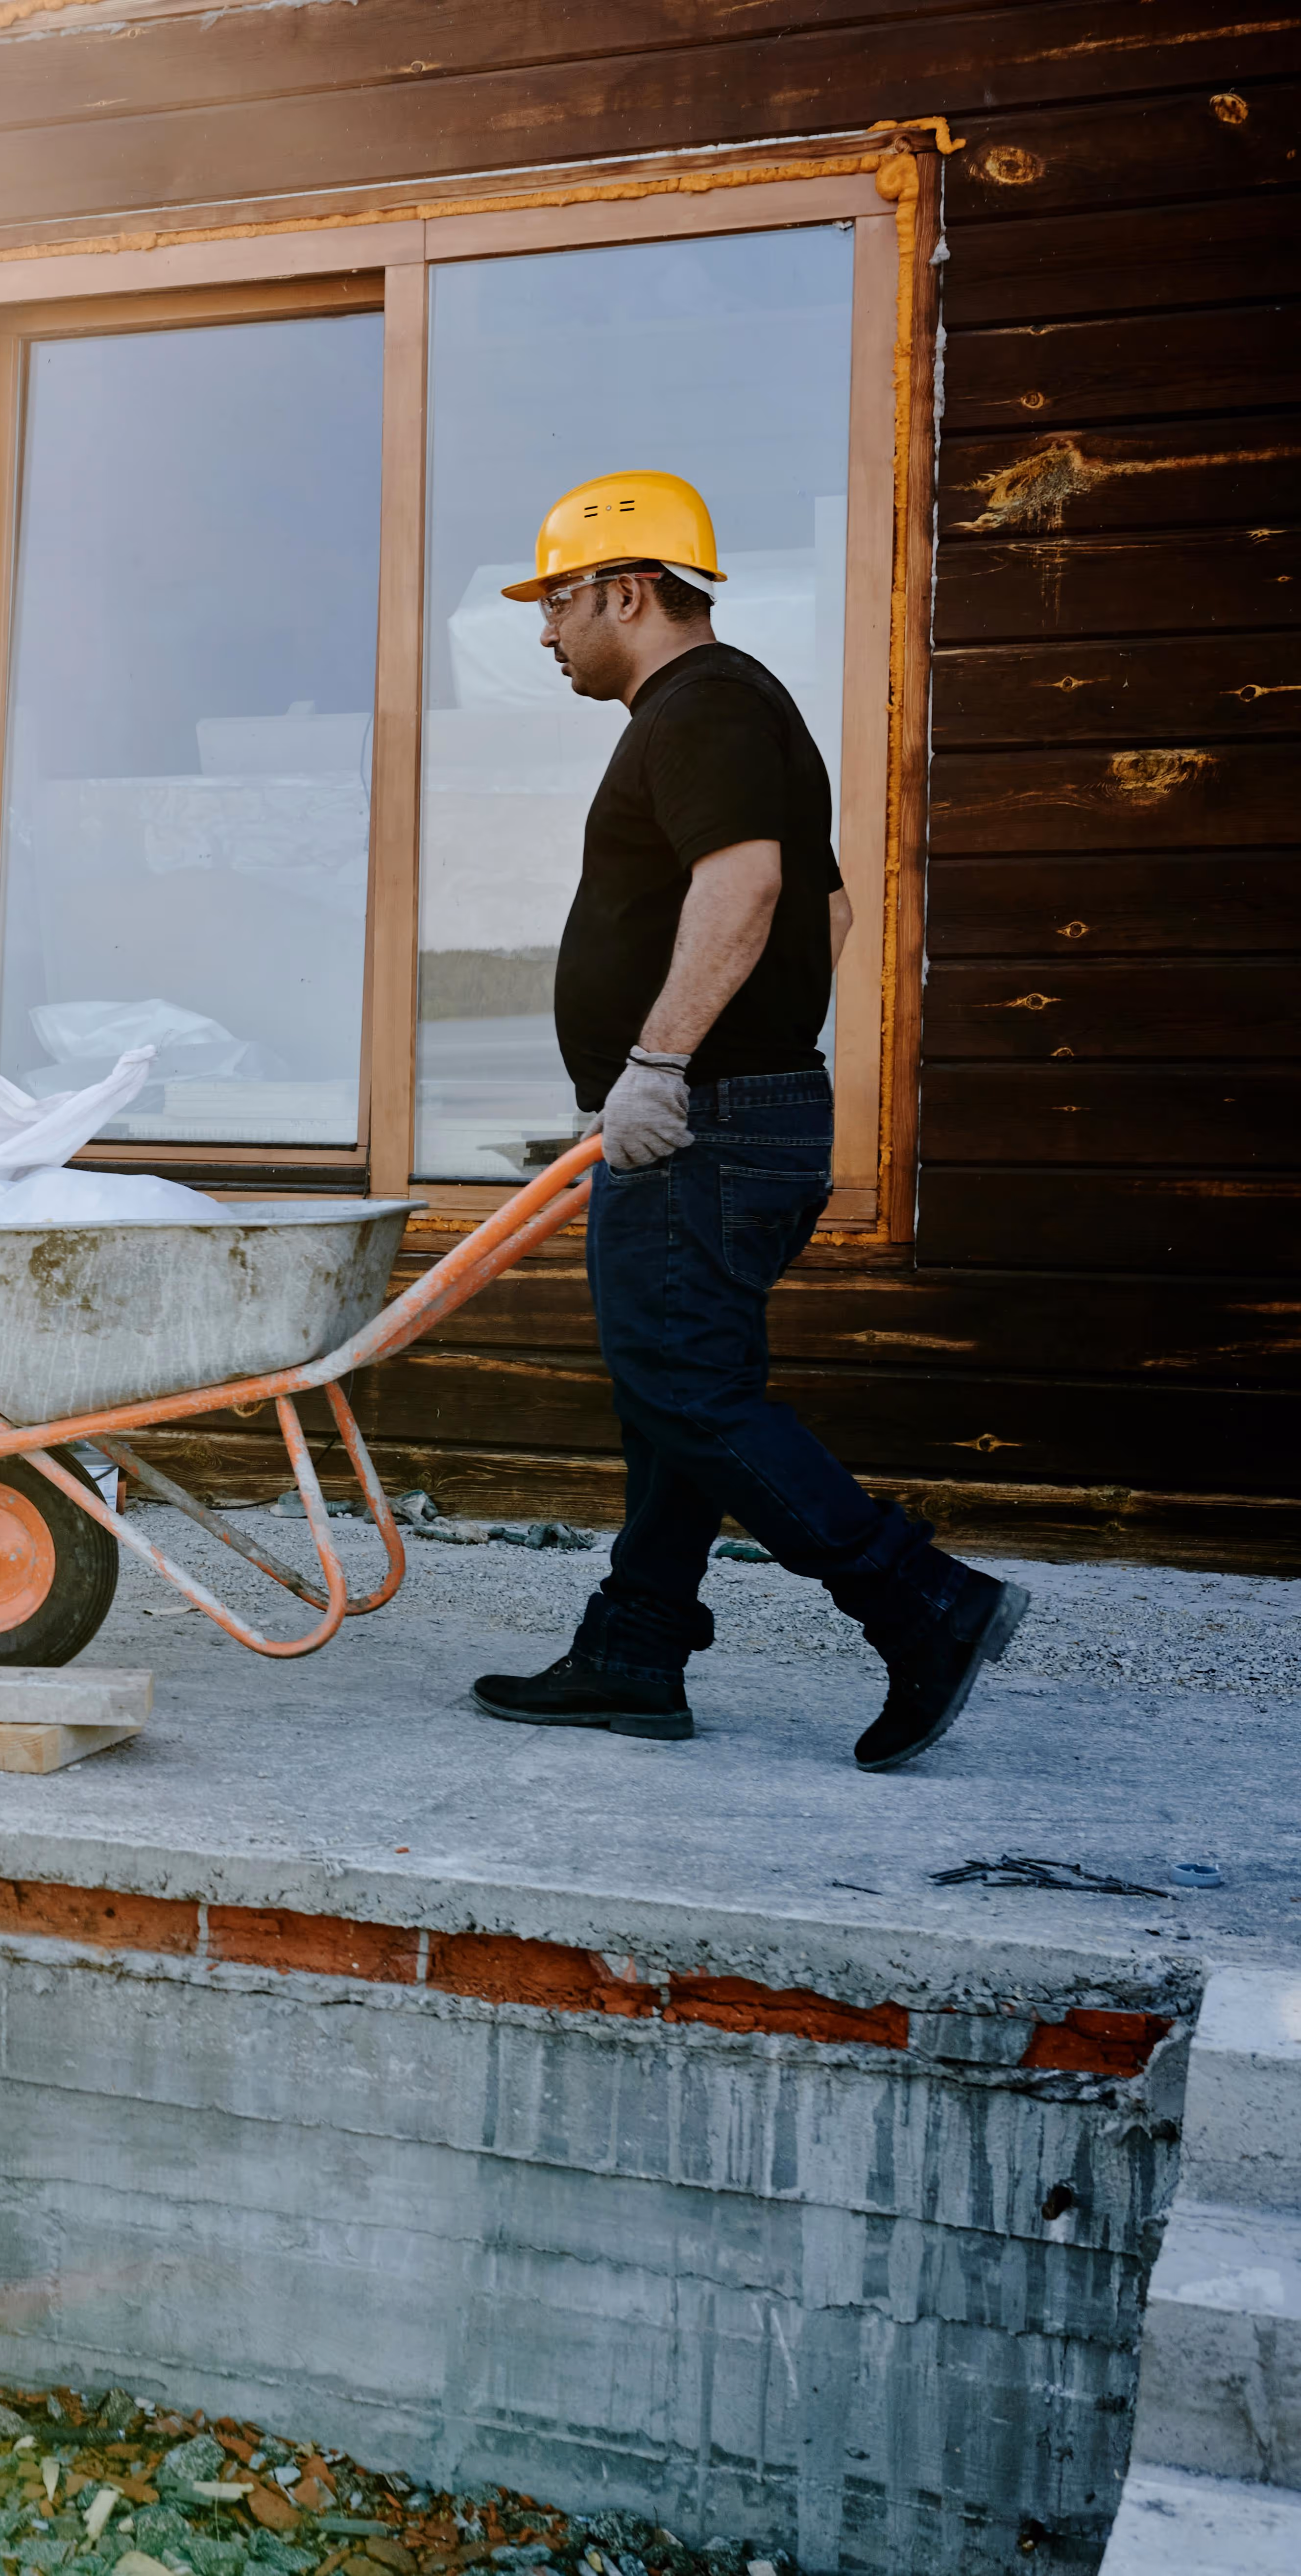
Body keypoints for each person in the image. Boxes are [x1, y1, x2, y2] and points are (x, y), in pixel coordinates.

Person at [469, 471, 1023, 1769]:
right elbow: (823, 917)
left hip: (702, 1121)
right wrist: (723, 1061)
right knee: (677, 1389)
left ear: (628, 588)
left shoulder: (704, 706)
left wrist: (663, 1065)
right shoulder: (743, 709)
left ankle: (922, 1600)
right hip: (732, 1113)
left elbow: (751, 883)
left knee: (686, 1384)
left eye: (557, 601)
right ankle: (635, 1648)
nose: (545, 632)